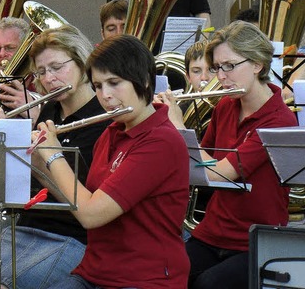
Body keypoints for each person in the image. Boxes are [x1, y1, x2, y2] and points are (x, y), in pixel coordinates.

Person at [32, 35, 190, 288]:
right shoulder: (111, 132)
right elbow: (81, 197)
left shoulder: (162, 142)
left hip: (144, 277)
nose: (105, 96)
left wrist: (53, 153)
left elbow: (90, 215)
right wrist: (34, 160)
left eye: (114, 83)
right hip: (96, 271)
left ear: (145, 80)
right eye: (98, 85)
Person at [0, 26, 109, 289]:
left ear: (82, 62)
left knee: (0, 286)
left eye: (56, 67)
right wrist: (2, 141)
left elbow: (83, 207)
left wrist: (42, 161)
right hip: (27, 227)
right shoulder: (51, 108)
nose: (49, 78)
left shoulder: (103, 120)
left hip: (73, 237)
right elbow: (22, 186)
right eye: (41, 72)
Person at [160, 21, 298, 288]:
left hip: (258, 240)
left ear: (257, 64)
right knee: (163, 273)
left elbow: (220, 172)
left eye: (229, 66)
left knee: (209, 284)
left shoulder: (279, 120)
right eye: (217, 67)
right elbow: (198, 167)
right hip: (213, 231)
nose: (220, 77)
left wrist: (178, 127)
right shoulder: (225, 106)